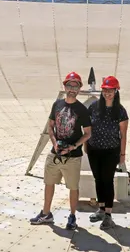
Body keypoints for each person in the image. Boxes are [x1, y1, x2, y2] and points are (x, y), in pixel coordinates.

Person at [30, 72, 91, 230]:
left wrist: (73, 146)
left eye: (75, 85)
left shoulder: (82, 110)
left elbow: (88, 133)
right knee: (49, 183)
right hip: (55, 153)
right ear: (65, 86)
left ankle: (72, 216)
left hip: (73, 157)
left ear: (79, 89)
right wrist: (55, 143)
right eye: (69, 85)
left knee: (73, 187)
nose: (72, 89)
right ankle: (46, 213)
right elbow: (51, 125)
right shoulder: (57, 104)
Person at [85, 76, 129, 229]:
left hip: (111, 151)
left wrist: (122, 155)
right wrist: (86, 145)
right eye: (105, 90)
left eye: (111, 90)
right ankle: (101, 208)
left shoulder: (121, 111)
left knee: (108, 181)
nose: (107, 93)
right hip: (94, 150)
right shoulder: (94, 107)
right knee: (98, 180)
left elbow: (123, 134)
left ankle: (108, 214)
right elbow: (87, 127)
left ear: (116, 91)